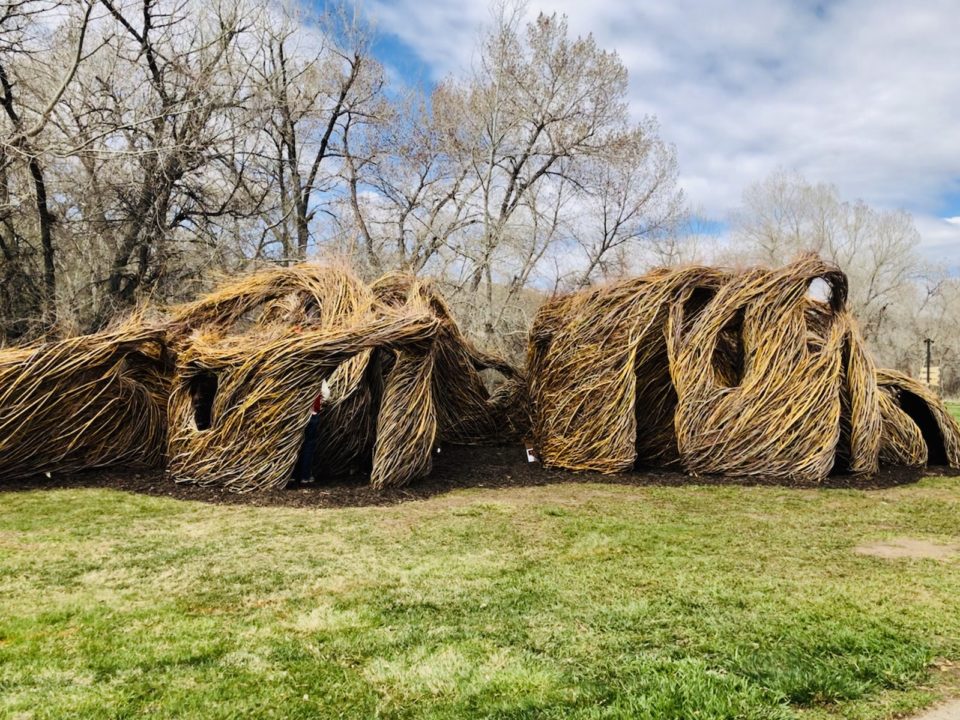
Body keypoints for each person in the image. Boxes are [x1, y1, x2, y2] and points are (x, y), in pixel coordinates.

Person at [289, 379, 331, 488]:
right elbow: (326, 394)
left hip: (294, 417)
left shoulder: (294, 375)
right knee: (308, 446)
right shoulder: (318, 375)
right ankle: (305, 478)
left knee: (293, 444)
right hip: (312, 415)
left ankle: (291, 476)